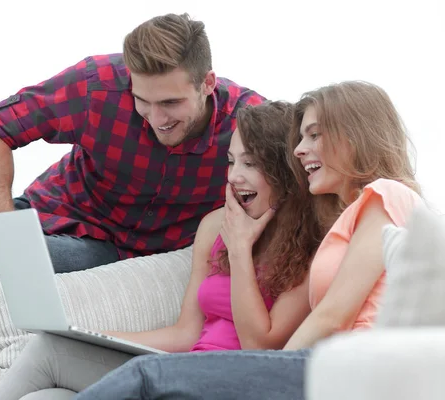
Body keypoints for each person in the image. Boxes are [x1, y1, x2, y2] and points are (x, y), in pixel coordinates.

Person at [0, 13, 265, 387]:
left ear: (208, 84)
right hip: (53, 211)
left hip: (112, 249)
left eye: (170, 102)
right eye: (142, 101)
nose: (155, 118)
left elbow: (305, 170)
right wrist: (4, 227)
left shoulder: (248, 122)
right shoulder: (96, 86)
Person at [74, 80, 425, 400]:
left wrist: (265, 371)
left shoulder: (387, 195)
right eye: (300, 138)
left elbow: (332, 316)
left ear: (354, 137)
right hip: (325, 365)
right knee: (142, 376)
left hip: (351, 371)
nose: (300, 150)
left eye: (314, 136)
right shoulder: (346, 217)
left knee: (146, 375)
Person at [0, 101, 322, 400]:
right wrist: (87, 337)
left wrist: (239, 249)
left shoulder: (311, 245)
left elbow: (259, 347)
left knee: (49, 352)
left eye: (250, 164)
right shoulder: (213, 226)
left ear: (284, 172)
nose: (234, 177)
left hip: (231, 383)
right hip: (180, 372)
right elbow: (186, 333)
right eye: (232, 161)